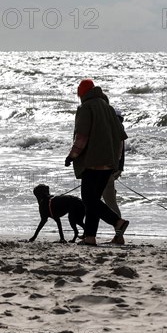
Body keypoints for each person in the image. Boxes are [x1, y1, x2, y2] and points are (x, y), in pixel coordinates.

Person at [65, 79, 129, 246]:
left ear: (82, 93)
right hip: (108, 163)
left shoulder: (86, 108)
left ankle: (117, 222)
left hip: (92, 163)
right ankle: (90, 237)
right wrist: (116, 161)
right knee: (93, 200)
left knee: (88, 200)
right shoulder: (108, 108)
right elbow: (120, 136)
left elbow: (82, 136)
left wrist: (72, 155)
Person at [102, 108, 125, 217]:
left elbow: (118, 152)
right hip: (113, 169)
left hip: (108, 170)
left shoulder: (114, 129)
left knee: (110, 203)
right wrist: (120, 168)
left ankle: (119, 227)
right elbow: (121, 152)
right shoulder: (119, 128)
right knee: (108, 201)